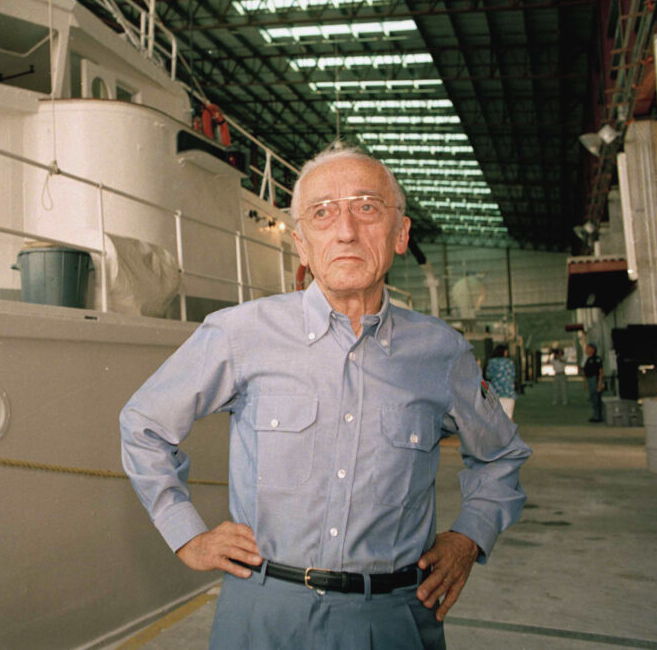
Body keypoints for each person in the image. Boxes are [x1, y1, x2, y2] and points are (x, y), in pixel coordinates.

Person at [120, 145, 532, 649]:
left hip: (395, 618)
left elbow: (501, 455)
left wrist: (470, 536)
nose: (345, 231)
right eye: (322, 213)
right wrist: (186, 534)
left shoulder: (441, 353)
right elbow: (144, 424)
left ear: (400, 234)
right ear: (301, 243)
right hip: (263, 613)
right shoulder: (239, 333)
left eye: (366, 207)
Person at [485, 344, 517, 419]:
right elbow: (513, 375)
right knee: (508, 417)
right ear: (504, 352)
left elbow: (488, 376)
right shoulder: (510, 362)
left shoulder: (492, 362)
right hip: (509, 393)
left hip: (496, 393)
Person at [583, 343, 604, 423]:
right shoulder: (589, 359)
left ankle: (598, 416)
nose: (586, 350)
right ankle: (595, 415)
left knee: (596, 398)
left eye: (588, 348)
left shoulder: (597, 359)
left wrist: (599, 383)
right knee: (592, 398)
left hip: (595, 379)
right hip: (590, 380)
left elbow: (601, 371)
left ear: (592, 349)